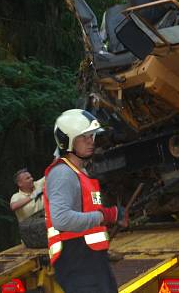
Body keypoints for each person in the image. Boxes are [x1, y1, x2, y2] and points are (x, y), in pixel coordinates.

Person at [43, 109, 126, 292]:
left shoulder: (80, 173)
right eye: (84, 137)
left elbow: (87, 215)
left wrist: (110, 216)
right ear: (67, 141)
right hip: (76, 261)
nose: (91, 141)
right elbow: (61, 219)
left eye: (92, 136)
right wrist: (103, 215)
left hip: (90, 260)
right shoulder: (63, 174)